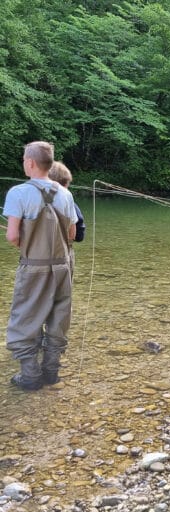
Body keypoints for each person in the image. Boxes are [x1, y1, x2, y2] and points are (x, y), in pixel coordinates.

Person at [4, 142, 78, 390]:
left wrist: (31, 249)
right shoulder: (66, 194)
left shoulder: (18, 192)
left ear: (31, 162)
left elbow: (13, 236)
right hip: (62, 267)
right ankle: (51, 371)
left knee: (25, 317)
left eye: (25, 158)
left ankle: (30, 376)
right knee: (59, 316)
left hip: (34, 266)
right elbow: (72, 233)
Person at [49, 161, 86, 277]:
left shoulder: (30, 197)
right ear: (66, 184)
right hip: (61, 257)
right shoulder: (69, 201)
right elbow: (78, 236)